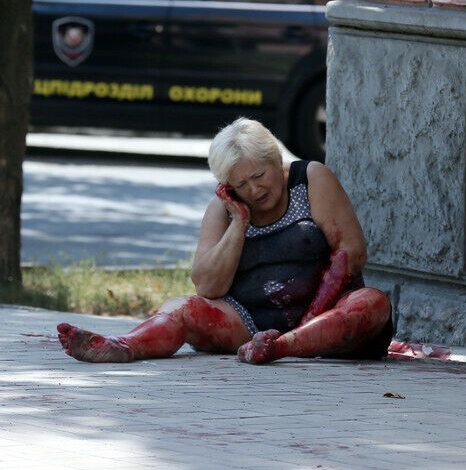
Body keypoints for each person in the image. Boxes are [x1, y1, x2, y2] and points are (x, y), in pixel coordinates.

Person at [57, 118, 393, 364]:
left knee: (372, 303)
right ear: (228, 185)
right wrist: (239, 223)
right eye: (242, 184)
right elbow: (207, 287)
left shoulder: (311, 178)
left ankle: (281, 348)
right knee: (181, 308)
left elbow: (350, 254)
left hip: (327, 318)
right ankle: (122, 345)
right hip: (248, 325)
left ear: (275, 160)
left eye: (259, 175)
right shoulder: (224, 208)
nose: (255, 190)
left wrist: (307, 324)